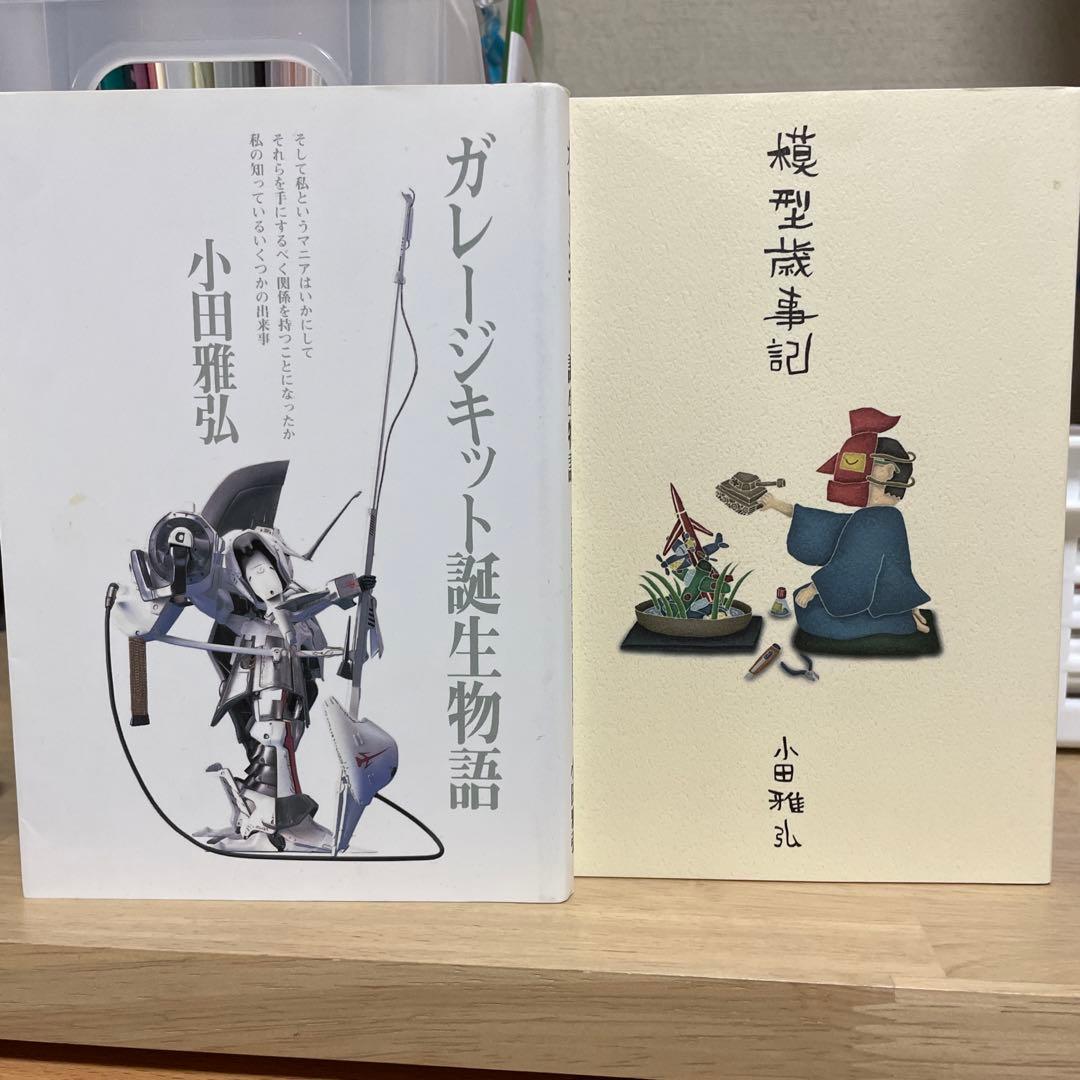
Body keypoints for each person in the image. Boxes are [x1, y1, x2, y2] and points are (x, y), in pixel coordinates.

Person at [758, 437, 930, 639]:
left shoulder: (875, 519)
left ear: (889, 471)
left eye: (870, 462)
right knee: (804, 600)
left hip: (873, 601)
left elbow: (854, 564)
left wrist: (815, 588)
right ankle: (900, 614)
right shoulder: (880, 516)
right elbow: (829, 525)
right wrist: (776, 504)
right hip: (881, 597)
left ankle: (901, 621)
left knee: (812, 615)